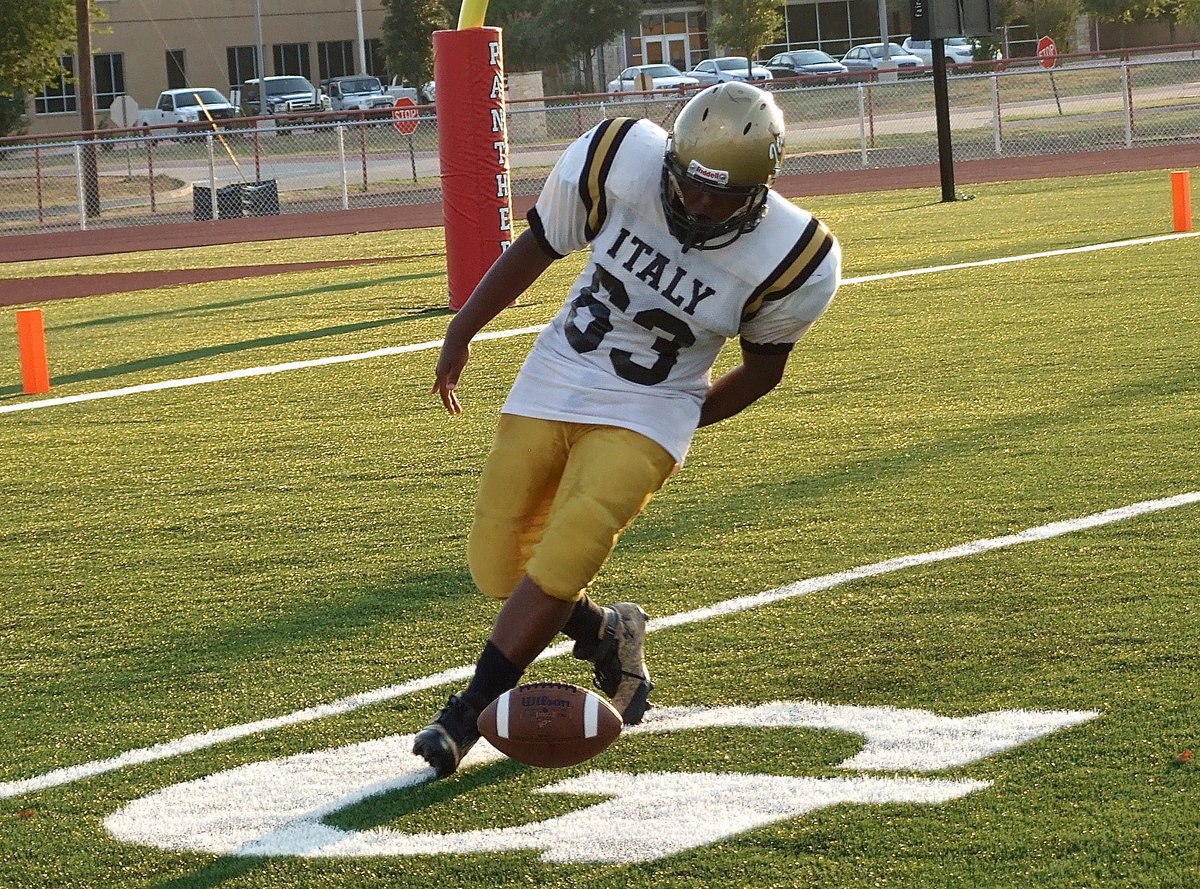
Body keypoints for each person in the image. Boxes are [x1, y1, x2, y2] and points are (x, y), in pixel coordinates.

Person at [414, 81, 841, 778]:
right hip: (562, 368)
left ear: (760, 191)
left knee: (571, 543)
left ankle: (464, 713)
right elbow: (542, 242)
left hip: (657, 396)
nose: (699, 206)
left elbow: (763, 371)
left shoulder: (796, 255)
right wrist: (464, 327)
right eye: (690, 187)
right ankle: (605, 633)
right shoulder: (619, 155)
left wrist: (670, 419)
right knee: (498, 562)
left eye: (720, 197)